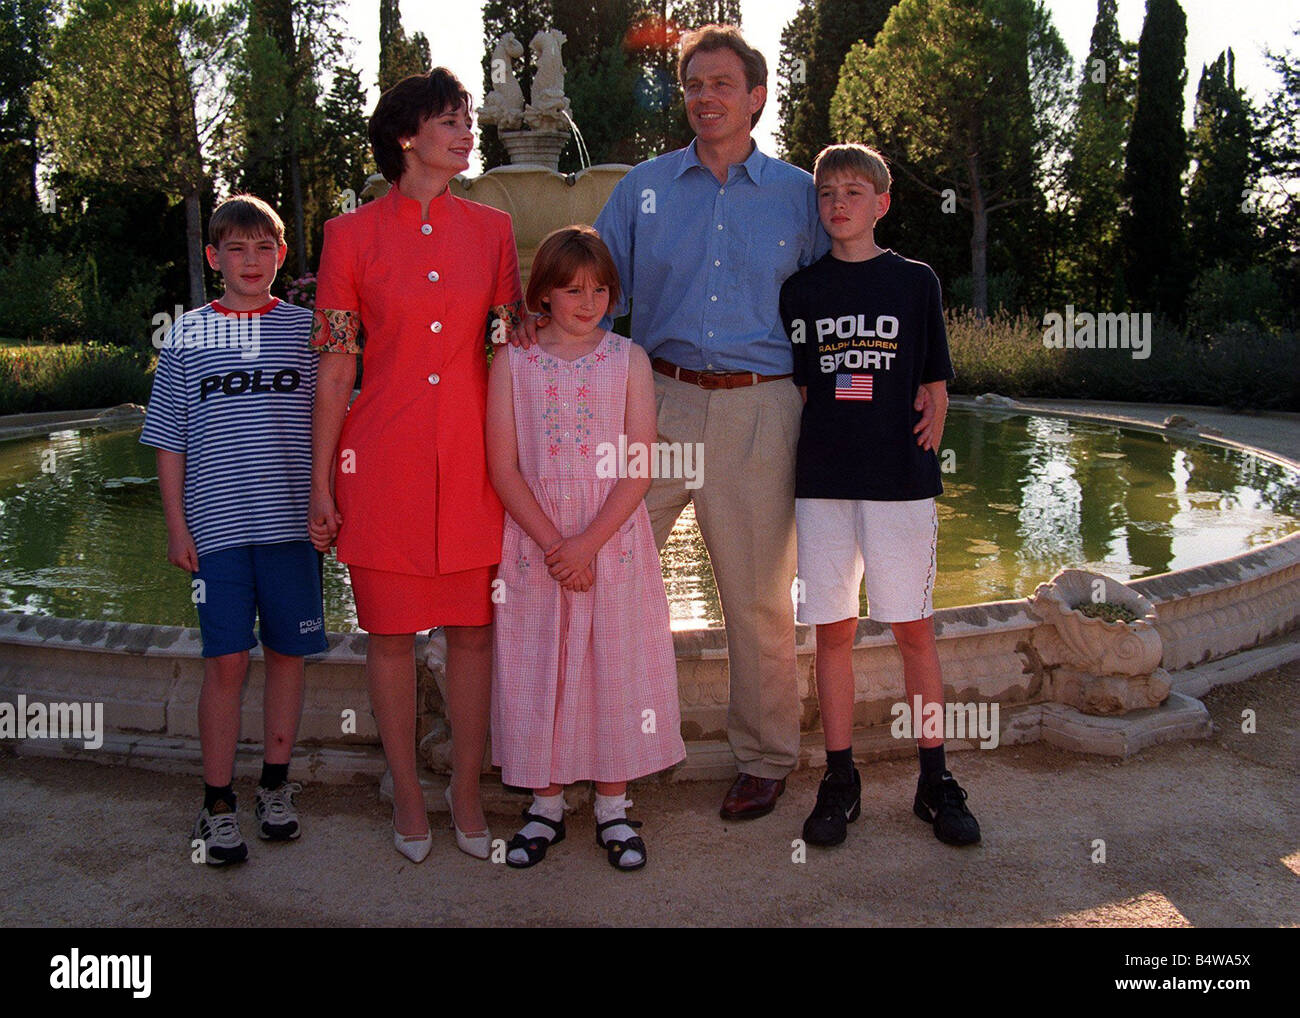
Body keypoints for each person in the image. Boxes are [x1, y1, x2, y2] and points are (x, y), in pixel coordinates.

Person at [308, 68, 523, 863]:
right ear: (407, 136)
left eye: (469, 118)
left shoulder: (493, 232)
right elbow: (335, 365)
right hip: (383, 462)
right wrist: (320, 480)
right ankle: (406, 790)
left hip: (474, 463)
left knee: (473, 632)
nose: (468, 131)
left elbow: (508, 356)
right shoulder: (348, 235)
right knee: (390, 638)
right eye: (450, 120)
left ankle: (465, 790)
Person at [779, 143, 980, 848]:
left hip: (901, 483)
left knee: (912, 629)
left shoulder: (914, 282)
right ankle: (840, 777)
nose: (839, 204)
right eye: (827, 193)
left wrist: (935, 405)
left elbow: (934, 382)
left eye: (855, 192)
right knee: (831, 631)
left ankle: (935, 778)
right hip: (825, 484)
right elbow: (806, 391)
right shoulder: (802, 290)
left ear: (882, 203)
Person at [487, 226, 685, 871]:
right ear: (542, 292)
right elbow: (503, 466)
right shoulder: (512, 361)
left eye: (599, 289)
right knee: (538, 665)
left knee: (614, 666)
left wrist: (589, 544)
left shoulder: (628, 359)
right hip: (534, 541)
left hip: (613, 541)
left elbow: (639, 464)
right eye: (572, 289)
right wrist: (554, 545)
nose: (587, 300)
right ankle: (544, 804)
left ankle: (613, 804)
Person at [141, 193, 327, 866]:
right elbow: (168, 440)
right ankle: (216, 802)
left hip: (291, 530)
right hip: (217, 530)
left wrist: (328, 501)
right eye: (236, 249)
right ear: (215, 257)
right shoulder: (188, 334)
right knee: (223, 665)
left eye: (265, 248)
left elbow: (331, 425)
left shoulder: (307, 331)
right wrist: (175, 525)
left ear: (281, 255)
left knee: (287, 656)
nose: (252, 261)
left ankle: (275, 787)